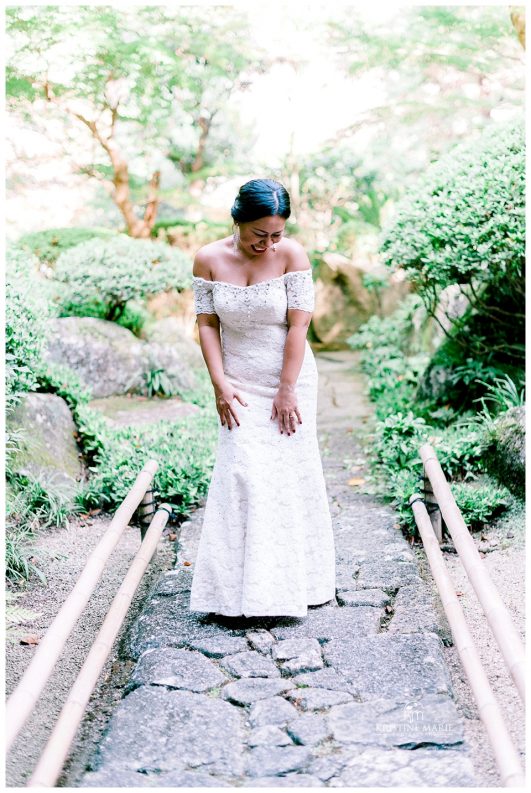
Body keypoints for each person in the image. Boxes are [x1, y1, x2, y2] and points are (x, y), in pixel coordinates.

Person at [189, 178, 336, 618]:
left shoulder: (292, 256)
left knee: (286, 476)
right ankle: (231, 593)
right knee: (242, 472)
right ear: (237, 220)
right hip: (237, 382)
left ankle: (294, 585)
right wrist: (219, 383)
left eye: (277, 235)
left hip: (287, 378)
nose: (269, 244)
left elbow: (298, 326)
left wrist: (287, 389)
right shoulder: (208, 259)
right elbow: (207, 324)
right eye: (259, 235)